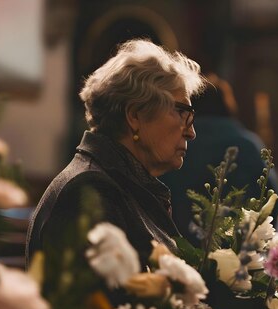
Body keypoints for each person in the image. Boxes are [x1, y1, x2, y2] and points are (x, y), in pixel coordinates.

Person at [26, 39, 206, 266]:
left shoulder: (123, 183)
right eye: (182, 113)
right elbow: (106, 299)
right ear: (135, 116)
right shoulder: (90, 192)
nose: (191, 132)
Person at [160, 73, 278, 245]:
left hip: (176, 249)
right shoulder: (247, 144)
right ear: (227, 105)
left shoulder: (174, 142)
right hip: (238, 257)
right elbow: (274, 201)